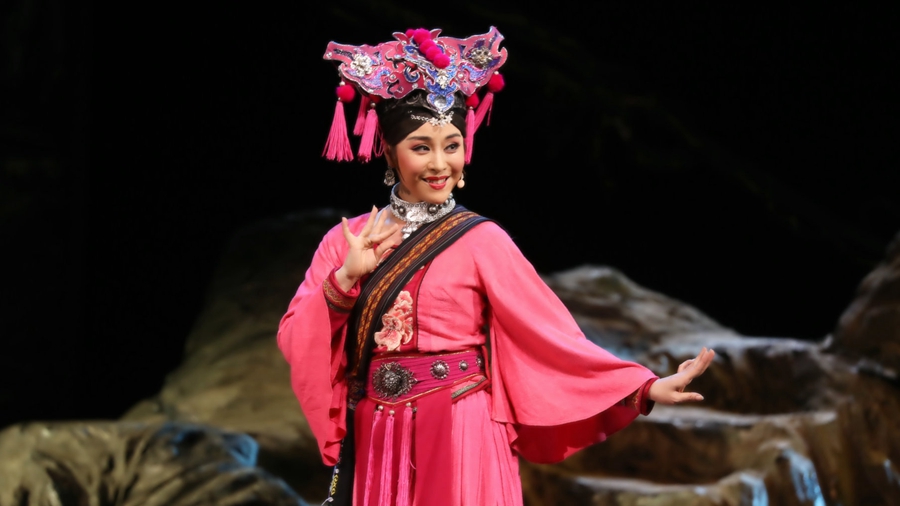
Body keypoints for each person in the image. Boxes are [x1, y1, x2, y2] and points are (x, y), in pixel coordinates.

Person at [277, 27, 715, 506]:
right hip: (377, 427)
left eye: (452, 145)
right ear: (388, 150)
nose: (440, 163)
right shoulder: (347, 239)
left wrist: (645, 388)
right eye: (421, 147)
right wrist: (344, 280)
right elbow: (297, 338)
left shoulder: (483, 240)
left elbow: (551, 337)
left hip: (461, 422)